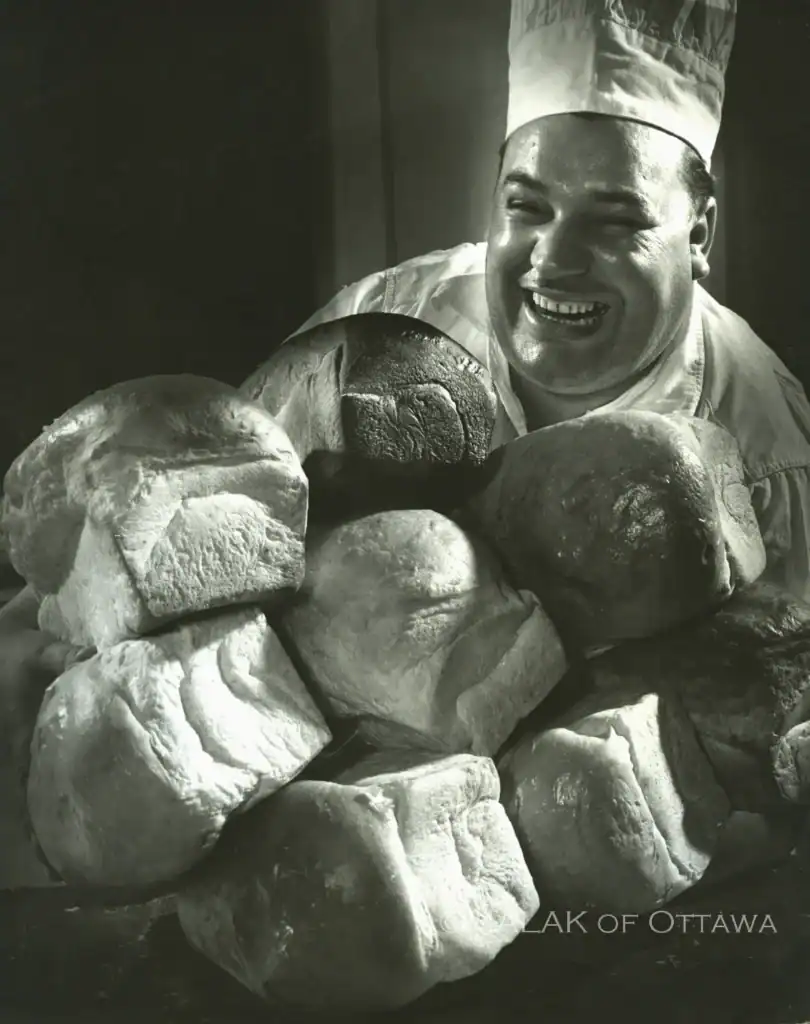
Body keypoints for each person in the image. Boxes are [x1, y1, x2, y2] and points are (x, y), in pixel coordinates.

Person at [244, 0, 810, 607]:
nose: (555, 259)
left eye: (615, 221)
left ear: (699, 237)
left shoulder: (772, 468)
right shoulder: (383, 316)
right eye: (527, 207)